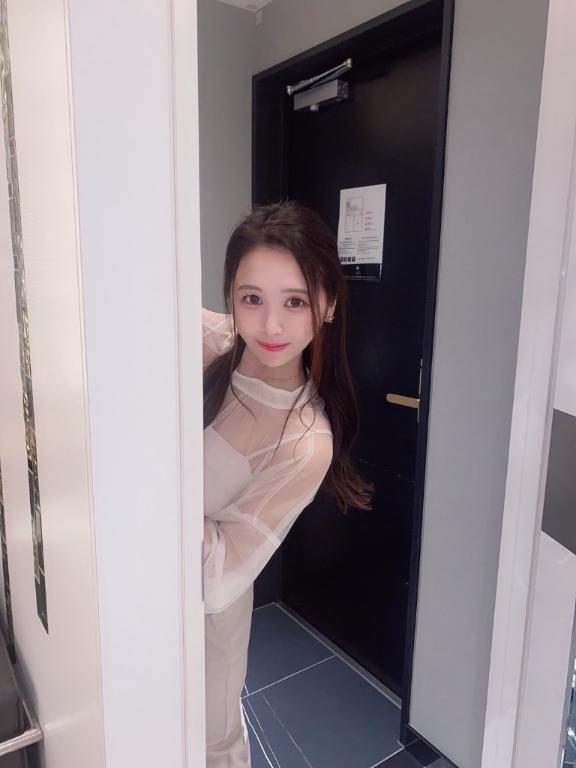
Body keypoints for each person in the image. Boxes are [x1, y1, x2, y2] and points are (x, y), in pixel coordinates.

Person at [202, 201, 374, 767]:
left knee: (205, 745)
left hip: (202, 628)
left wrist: (146, 497)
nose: (270, 327)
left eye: (295, 302)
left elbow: (220, 577)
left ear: (327, 304)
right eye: (252, 299)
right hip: (129, 593)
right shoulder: (208, 339)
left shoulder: (303, 441)